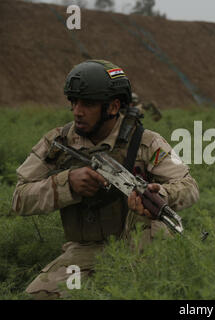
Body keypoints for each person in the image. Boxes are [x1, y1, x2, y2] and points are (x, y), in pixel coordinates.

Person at [11, 60, 199, 299]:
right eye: (74, 102)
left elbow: (190, 187)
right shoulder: (57, 142)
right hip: (88, 251)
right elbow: (19, 198)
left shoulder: (147, 142)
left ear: (113, 107)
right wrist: (66, 183)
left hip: (145, 245)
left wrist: (162, 194)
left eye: (88, 104)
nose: (77, 111)